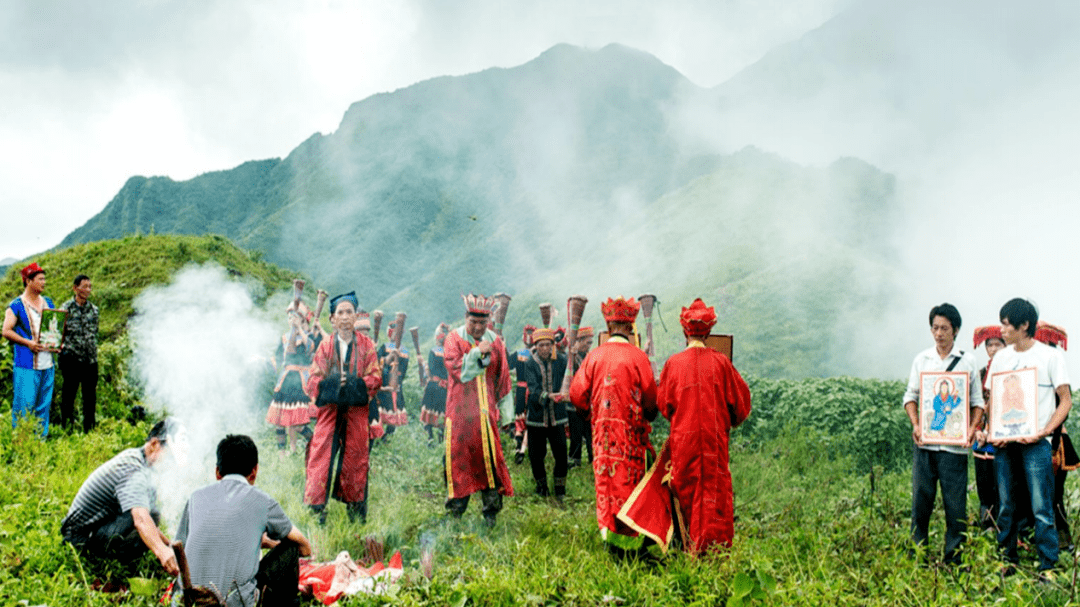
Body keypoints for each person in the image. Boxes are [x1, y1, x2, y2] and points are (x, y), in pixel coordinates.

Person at [175, 435, 313, 607]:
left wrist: (259, 541)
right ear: (254, 471)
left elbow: (180, 550)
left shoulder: (195, 497)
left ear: (217, 472)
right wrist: (270, 543)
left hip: (188, 600)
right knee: (291, 548)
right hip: (234, 602)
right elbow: (304, 547)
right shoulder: (262, 500)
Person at [989, 299, 1072, 576]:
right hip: (1005, 443)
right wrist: (992, 430)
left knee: (1041, 506)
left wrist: (1046, 430)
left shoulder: (1049, 357)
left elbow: (1065, 401)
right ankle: (1007, 560)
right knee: (1006, 505)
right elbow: (993, 400)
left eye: (1006, 323)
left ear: (1024, 325)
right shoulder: (1000, 358)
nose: (1001, 329)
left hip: (1036, 443)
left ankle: (1048, 565)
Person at [569, 296, 658, 554]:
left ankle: (610, 541)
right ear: (631, 329)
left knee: (606, 485)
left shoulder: (594, 356)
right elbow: (652, 399)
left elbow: (576, 393)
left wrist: (591, 415)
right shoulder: (639, 357)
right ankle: (632, 544)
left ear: (608, 329)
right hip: (631, 437)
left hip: (602, 435)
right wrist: (647, 416)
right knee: (629, 485)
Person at [663, 299, 752, 551]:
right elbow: (741, 405)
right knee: (714, 491)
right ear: (709, 332)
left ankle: (686, 547)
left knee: (686, 488)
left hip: (684, 440)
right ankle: (712, 552)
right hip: (714, 441)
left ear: (684, 331)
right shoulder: (722, 363)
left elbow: (664, 404)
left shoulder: (673, 363)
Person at [902, 303, 985, 565]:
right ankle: (918, 556)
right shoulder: (922, 359)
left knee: (955, 505)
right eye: (935, 328)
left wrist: (972, 428)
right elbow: (910, 397)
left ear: (956, 330)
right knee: (921, 502)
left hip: (954, 448)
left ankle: (955, 559)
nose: (939, 333)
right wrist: (916, 424)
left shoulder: (967, 360)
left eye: (945, 328)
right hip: (925, 445)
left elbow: (977, 402)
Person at [60, 418, 183, 576]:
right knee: (148, 516)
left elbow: (149, 521)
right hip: (79, 539)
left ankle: (118, 562)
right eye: (170, 457)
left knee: (152, 514)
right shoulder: (133, 469)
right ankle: (110, 566)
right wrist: (163, 553)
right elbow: (141, 519)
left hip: (97, 527)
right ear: (154, 444)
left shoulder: (144, 466)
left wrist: (169, 545)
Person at [303, 292, 382, 525]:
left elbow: (375, 377)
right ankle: (316, 512)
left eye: (350, 312)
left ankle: (356, 516)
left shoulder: (367, 346)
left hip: (356, 413)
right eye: (341, 313)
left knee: (356, 460)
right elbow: (313, 380)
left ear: (356, 316)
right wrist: (334, 384)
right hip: (329, 412)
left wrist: (355, 385)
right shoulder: (325, 346)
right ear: (332, 319)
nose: (346, 317)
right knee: (321, 458)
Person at [442, 294, 514, 526]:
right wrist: (477, 353)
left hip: (486, 415)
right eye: (473, 322)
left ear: (489, 321)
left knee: (490, 461)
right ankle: (455, 512)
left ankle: (490, 513)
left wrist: (507, 414)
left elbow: (503, 378)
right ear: (466, 318)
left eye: (482, 323)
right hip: (460, 414)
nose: (477, 327)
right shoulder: (453, 339)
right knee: (457, 462)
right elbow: (457, 369)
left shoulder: (496, 342)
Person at [3, 262, 57, 436]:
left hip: (47, 363)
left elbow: (53, 329)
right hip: (27, 365)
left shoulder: (47, 302)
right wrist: (28, 343)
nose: (44, 282)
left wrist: (56, 343)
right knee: (24, 407)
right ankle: (21, 443)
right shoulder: (16, 305)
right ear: (28, 281)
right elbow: (6, 331)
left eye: (44, 279)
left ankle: (40, 442)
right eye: (40, 279)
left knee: (43, 405)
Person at [522, 327, 569, 499]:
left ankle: (560, 490)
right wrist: (549, 396)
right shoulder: (530, 363)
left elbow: (568, 378)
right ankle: (542, 487)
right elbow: (533, 390)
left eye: (548, 345)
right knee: (536, 455)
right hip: (536, 418)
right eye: (541, 345)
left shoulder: (562, 361)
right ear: (536, 346)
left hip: (557, 416)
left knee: (562, 454)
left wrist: (566, 393)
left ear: (553, 345)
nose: (544, 348)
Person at [266, 308, 316, 452]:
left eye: (294, 318)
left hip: (300, 380)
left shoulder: (307, 336)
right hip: (286, 379)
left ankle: (315, 445)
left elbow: (310, 348)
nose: (291, 321)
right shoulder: (284, 337)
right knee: (280, 421)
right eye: (289, 318)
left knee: (297, 423)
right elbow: (279, 356)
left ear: (301, 319)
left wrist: (299, 329)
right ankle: (283, 455)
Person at [972, 326, 1007, 528]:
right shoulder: (981, 373)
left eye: (997, 344)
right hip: (982, 435)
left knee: (1002, 484)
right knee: (983, 482)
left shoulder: (1013, 370)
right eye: (990, 345)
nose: (993, 349)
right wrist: (977, 429)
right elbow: (975, 404)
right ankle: (986, 522)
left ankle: (1004, 526)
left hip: (1003, 435)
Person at [58, 273, 99, 433]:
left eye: (90, 287)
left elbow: (95, 333)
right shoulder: (65, 309)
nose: (88, 290)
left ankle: (89, 429)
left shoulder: (94, 310)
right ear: (75, 288)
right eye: (85, 287)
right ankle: (66, 428)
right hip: (71, 360)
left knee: (90, 398)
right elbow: (57, 333)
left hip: (90, 361)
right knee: (69, 396)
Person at [566, 326, 594, 469]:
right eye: (587, 342)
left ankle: (593, 459)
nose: (589, 345)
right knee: (576, 433)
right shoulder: (570, 358)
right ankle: (574, 461)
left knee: (590, 433)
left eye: (590, 343)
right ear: (579, 341)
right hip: (574, 402)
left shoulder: (590, 356)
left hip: (589, 401)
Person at [376, 321, 410, 434]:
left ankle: (387, 437)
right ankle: (378, 435)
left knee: (394, 412)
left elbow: (403, 370)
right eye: (394, 332)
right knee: (381, 410)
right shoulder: (384, 347)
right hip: (384, 383)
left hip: (395, 383)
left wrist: (397, 378)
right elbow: (377, 363)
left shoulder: (404, 350)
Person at [420, 323, 451, 443]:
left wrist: (424, 366)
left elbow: (431, 370)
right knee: (442, 413)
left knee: (428, 413)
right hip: (445, 387)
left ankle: (430, 438)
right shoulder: (450, 352)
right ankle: (441, 438)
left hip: (434, 386)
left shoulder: (433, 351)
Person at [510, 325, 536, 465]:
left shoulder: (517, 354)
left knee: (519, 420)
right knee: (529, 421)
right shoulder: (537, 355)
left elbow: (506, 365)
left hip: (520, 390)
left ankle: (518, 447)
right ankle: (523, 450)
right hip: (532, 390)